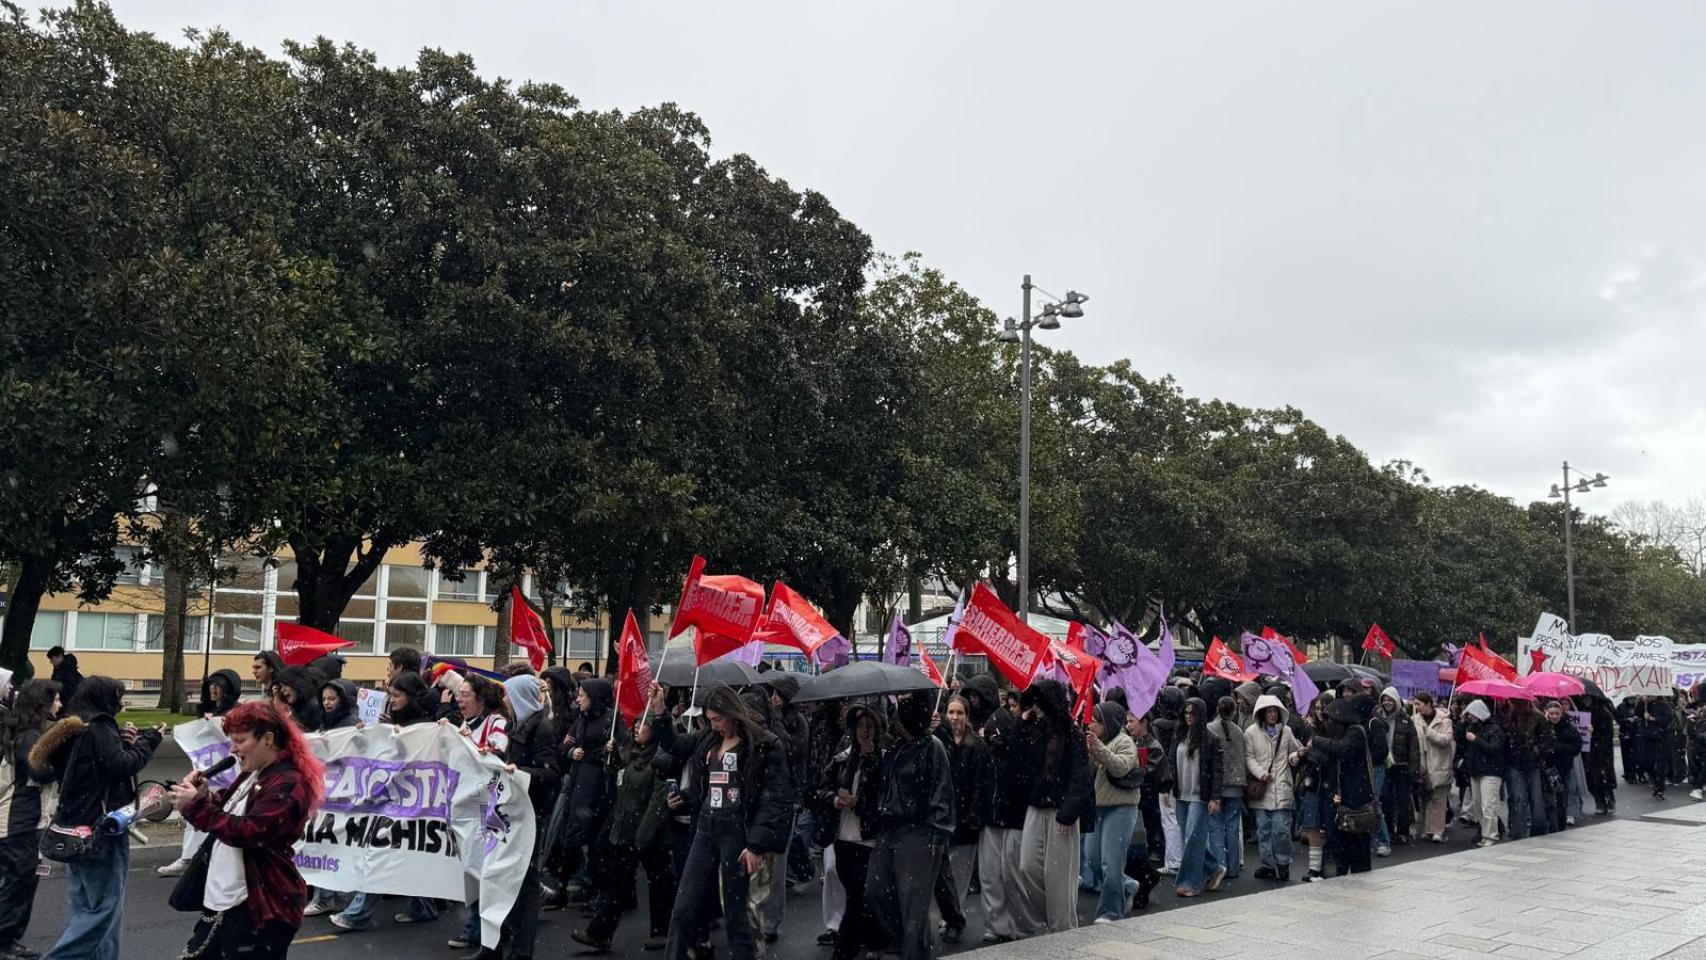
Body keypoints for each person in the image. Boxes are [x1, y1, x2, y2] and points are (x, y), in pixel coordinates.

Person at [170, 700, 324, 959]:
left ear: (268, 739)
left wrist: (198, 807)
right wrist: (203, 797)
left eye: (240, 740)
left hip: (260, 907)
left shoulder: (289, 782)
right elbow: (230, 813)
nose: (233, 749)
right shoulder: (255, 772)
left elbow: (250, 831)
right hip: (227, 903)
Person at [30, 677, 163, 960]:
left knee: (84, 904)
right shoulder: (100, 726)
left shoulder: (73, 727)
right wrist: (149, 740)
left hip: (73, 825)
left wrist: (124, 744)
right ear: (105, 698)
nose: (121, 703)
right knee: (103, 908)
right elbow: (121, 766)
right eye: (118, 697)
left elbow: (94, 766)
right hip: (102, 827)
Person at [659, 685, 791, 960]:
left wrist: (756, 845)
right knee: (683, 908)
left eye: (718, 719)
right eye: (709, 720)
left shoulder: (763, 744)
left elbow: (775, 798)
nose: (714, 725)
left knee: (736, 913)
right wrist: (660, 712)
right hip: (706, 827)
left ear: (732, 714)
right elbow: (675, 744)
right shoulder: (709, 737)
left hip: (737, 832)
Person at [329, 672, 441, 933]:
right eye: (390, 695)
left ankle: (357, 913)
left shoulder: (425, 727)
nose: (392, 700)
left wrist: (400, 735)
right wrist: (370, 734)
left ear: (412, 697)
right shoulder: (396, 723)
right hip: (395, 800)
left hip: (414, 803)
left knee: (381, 852)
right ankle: (423, 907)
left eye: (397, 695)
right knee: (406, 854)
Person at [575, 690, 673, 953]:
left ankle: (661, 932)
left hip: (648, 834)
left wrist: (644, 835)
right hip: (625, 829)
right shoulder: (632, 754)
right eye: (638, 724)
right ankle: (599, 933)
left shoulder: (661, 759)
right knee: (617, 884)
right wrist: (614, 758)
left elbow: (657, 800)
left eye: (646, 725)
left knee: (660, 883)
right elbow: (621, 786)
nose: (639, 730)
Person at [865, 693, 954, 960]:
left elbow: (942, 792)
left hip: (918, 831)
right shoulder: (896, 747)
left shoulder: (932, 747)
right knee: (876, 890)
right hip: (889, 828)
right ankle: (897, 942)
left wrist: (936, 835)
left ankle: (914, 953)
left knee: (913, 903)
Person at [1011, 680, 1091, 935]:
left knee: (1059, 879)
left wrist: (1067, 814)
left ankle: (1062, 929)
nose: (1036, 708)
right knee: (1027, 868)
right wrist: (1022, 724)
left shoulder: (1073, 736)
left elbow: (1080, 777)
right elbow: (1018, 760)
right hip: (1036, 808)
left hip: (1060, 812)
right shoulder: (1034, 730)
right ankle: (1052, 920)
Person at [158, 669, 247, 879]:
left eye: (218, 686)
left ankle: (216, 859)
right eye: (211, 685)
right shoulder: (207, 711)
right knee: (194, 811)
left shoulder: (238, 712)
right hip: (208, 772)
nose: (213, 689)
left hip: (229, 774)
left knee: (226, 815)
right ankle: (189, 857)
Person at [446, 675, 511, 951]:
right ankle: (481, 926)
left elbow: (497, 750)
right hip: (465, 805)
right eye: (457, 694)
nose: (458, 699)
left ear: (480, 699)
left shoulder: (495, 722)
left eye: (464, 694)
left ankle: (481, 928)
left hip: (487, 806)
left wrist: (472, 744)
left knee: (481, 868)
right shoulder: (464, 724)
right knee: (469, 869)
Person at [817, 703, 886, 960]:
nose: (864, 732)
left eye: (870, 726)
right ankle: (875, 939)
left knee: (860, 897)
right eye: (860, 726)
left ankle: (846, 949)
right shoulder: (842, 759)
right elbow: (820, 790)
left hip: (870, 840)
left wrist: (863, 804)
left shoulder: (885, 761)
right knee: (856, 896)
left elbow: (886, 802)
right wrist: (836, 800)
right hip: (844, 839)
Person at [0, 680, 60, 959]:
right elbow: (40, 772)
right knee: (20, 880)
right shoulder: (28, 736)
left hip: (23, 817)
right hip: (19, 818)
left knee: (21, 879)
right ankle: (5, 941)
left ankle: (9, 938)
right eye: (55, 700)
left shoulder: (25, 731)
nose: (59, 704)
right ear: (42, 705)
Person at [931, 695, 989, 943]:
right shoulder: (938, 741)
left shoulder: (977, 746)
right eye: (951, 712)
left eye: (959, 713)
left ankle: (954, 915)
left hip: (965, 818)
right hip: (943, 816)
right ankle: (951, 914)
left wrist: (974, 815)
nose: (954, 717)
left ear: (967, 716)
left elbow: (980, 784)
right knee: (943, 872)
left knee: (960, 872)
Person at [1084, 700, 1141, 922]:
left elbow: (1119, 767)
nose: (1092, 726)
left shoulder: (1124, 742)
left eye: (1097, 722)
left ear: (1108, 723)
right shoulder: (1097, 741)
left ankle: (1110, 911)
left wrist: (1097, 748)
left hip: (1121, 808)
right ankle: (1126, 884)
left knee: (1111, 863)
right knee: (1093, 860)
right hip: (1098, 809)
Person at [1308, 697, 1375, 876]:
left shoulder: (1355, 732)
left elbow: (1341, 749)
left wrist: (1316, 741)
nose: (1327, 723)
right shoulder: (1342, 733)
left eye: (1329, 719)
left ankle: (1358, 874)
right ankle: (1342, 872)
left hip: (1356, 798)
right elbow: (1329, 758)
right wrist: (1307, 754)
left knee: (1357, 842)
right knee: (1341, 843)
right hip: (1341, 797)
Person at [1243, 693, 1301, 882]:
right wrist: (1261, 773)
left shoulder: (1286, 731)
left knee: (1280, 830)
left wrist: (1294, 756)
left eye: (1275, 711)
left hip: (1282, 786)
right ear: (1261, 713)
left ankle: (1283, 863)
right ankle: (1268, 864)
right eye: (1269, 711)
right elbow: (1249, 757)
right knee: (1263, 830)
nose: (1273, 715)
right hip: (1262, 788)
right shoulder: (1250, 733)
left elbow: (1295, 749)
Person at [1171, 697, 1221, 897]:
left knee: (1193, 838)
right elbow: (1170, 762)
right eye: (1186, 713)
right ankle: (1213, 867)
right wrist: (1168, 787)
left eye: (1192, 713)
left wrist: (1215, 797)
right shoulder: (1179, 736)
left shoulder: (1210, 739)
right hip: (1181, 794)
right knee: (1190, 838)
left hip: (1200, 795)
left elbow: (1217, 770)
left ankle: (1190, 882)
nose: (1189, 717)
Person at [1204, 695, 1247, 883]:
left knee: (1215, 827)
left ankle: (1220, 865)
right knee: (1232, 826)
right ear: (1234, 712)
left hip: (1217, 784)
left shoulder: (1209, 729)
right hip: (1237, 782)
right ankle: (1233, 867)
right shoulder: (1239, 731)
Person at [1376, 687, 1420, 851]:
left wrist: (1414, 769)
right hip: (1384, 765)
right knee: (1385, 799)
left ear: (1396, 700)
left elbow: (1414, 747)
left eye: (1390, 699)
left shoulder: (1406, 720)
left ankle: (1403, 831)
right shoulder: (1378, 718)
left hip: (1401, 765)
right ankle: (1388, 831)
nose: (1387, 702)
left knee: (1403, 799)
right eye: (1384, 699)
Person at [1461, 700, 1506, 846]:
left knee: (1489, 805)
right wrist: (1462, 723)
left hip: (1491, 771)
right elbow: (1459, 739)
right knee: (1477, 804)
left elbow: (1494, 749)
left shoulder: (1495, 729)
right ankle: (1484, 833)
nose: (1470, 717)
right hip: (1476, 770)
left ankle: (1491, 835)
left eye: (1471, 714)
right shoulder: (1471, 727)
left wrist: (1476, 740)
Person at [1411, 692, 1455, 843]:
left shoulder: (1445, 721)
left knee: (1439, 799)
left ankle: (1438, 831)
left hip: (1440, 763)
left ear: (1429, 703)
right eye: (1415, 704)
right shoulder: (1414, 720)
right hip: (1423, 764)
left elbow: (1446, 739)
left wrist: (1429, 733)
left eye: (1419, 704)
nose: (1417, 708)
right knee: (1425, 797)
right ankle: (1426, 829)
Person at [1502, 700, 1546, 839]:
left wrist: (1535, 750)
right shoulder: (1509, 718)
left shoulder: (1538, 718)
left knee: (1535, 800)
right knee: (1519, 799)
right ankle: (1518, 833)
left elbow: (1548, 740)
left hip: (1532, 763)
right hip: (1516, 763)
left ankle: (1536, 830)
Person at [1538, 700, 1582, 833]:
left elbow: (1576, 747)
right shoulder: (1542, 728)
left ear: (1561, 713)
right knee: (1548, 799)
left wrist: (1557, 746)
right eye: (1551, 713)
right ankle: (1551, 824)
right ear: (1547, 713)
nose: (1554, 716)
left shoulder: (1569, 728)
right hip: (1547, 769)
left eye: (1557, 713)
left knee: (1562, 798)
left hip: (1564, 768)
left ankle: (1559, 824)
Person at [1641, 695, 1675, 801]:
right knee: (1648, 763)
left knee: (1660, 765)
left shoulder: (1664, 705)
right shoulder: (1645, 705)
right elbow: (1638, 714)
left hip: (1660, 738)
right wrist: (1643, 703)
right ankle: (1655, 783)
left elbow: (1669, 718)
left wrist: (1653, 719)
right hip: (1647, 738)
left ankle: (1660, 787)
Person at [270, 667, 325, 732]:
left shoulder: (314, 706)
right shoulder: (295, 707)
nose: (282, 690)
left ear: (296, 684)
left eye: (285, 685)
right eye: (281, 686)